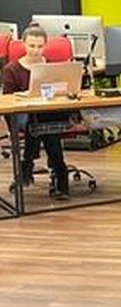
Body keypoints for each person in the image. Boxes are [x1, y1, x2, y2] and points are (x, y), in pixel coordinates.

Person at [2, 24, 69, 199]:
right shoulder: (11, 69)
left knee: (41, 119)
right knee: (39, 120)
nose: (36, 50)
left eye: (40, 46)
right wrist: (25, 96)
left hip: (48, 112)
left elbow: (62, 90)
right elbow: (8, 101)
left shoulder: (52, 66)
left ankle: (27, 165)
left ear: (45, 45)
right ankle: (60, 173)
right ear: (23, 44)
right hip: (22, 114)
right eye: (31, 46)